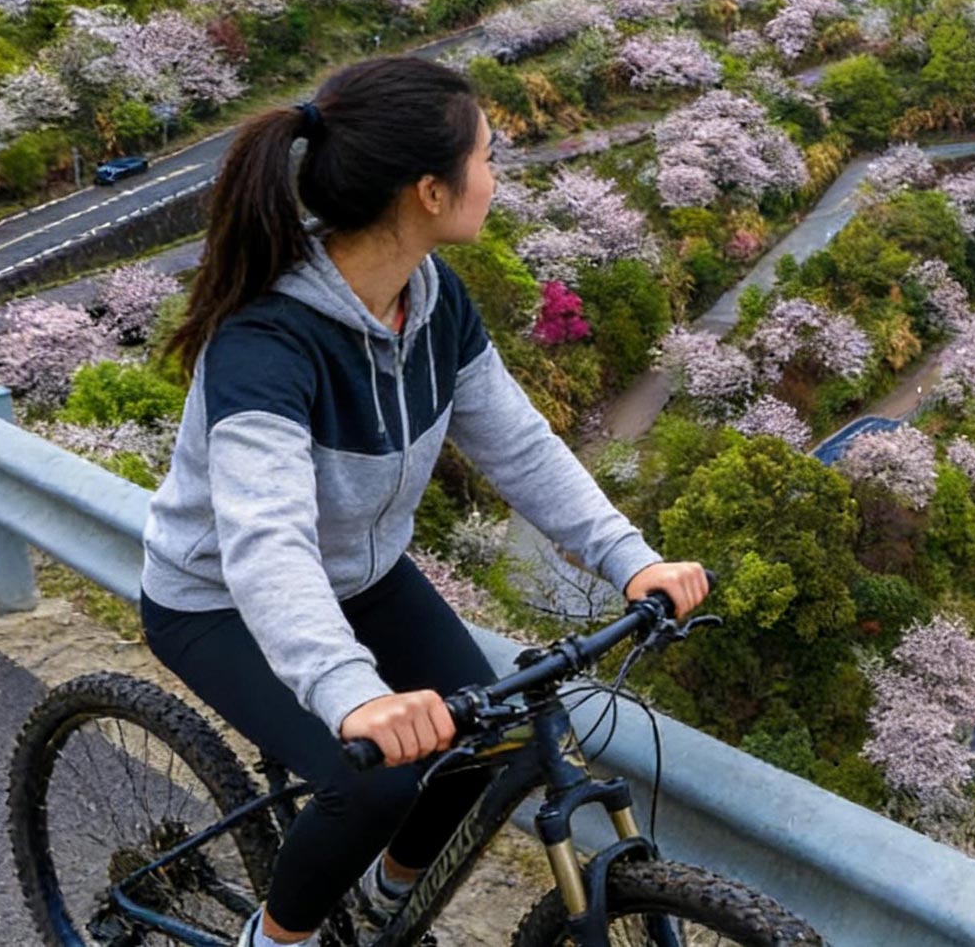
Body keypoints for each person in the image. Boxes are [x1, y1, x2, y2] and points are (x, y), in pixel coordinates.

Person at [140, 56, 707, 947]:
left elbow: (519, 448)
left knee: (483, 746)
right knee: (374, 780)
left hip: (362, 575)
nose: (497, 171)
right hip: (218, 597)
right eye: (487, 155)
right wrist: (349, 692)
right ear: (429, 193)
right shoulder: (266, 344)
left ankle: (380, 899)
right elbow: (267, 543)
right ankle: (273, 941)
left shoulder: (432, 302)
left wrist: (630, 558)